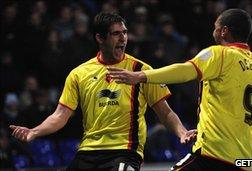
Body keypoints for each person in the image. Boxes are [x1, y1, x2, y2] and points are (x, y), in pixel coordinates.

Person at [108, 9, 252, 170]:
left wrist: (141, 76)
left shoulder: (219, 55)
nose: (214, 30)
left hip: (211, 155)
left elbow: (185, 71)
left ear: (224, 31)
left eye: (216, 27)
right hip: (242, 162)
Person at [9, 12, 197, 171]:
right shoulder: (79, 74)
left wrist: (181, 133)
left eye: (124, 32)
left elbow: (165, 112)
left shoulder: (141, 70)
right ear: (100, 38)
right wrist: (35, 131)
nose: (123, 38)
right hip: (88, 151)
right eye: (116, 34)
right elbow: (60, 116)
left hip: (125, 151)